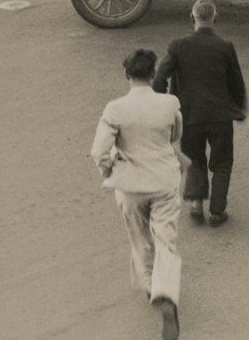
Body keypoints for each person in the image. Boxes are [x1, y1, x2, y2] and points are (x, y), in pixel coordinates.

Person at [90, 49, 185, 340]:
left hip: (130, 186)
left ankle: (149, 286)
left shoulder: (115, 108)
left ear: (126, 75)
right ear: (153, 74)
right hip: (164, 181)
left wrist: (109, 170)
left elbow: (98, 151)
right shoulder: (169, 103)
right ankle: (165, 293)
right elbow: (174, 136)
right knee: (165, 238)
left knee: (139, 238)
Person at [153, 0, 247, 227]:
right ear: (215, 18)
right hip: (220, 116)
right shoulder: (225, 46)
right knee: (222, 163)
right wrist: (238, 109)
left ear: (192, 17)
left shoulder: (178, 45)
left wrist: (164, 104)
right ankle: (217, 211)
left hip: (189, 116)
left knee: (194, 159)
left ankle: (196, 202)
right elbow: (236, 82)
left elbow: (159, 78)